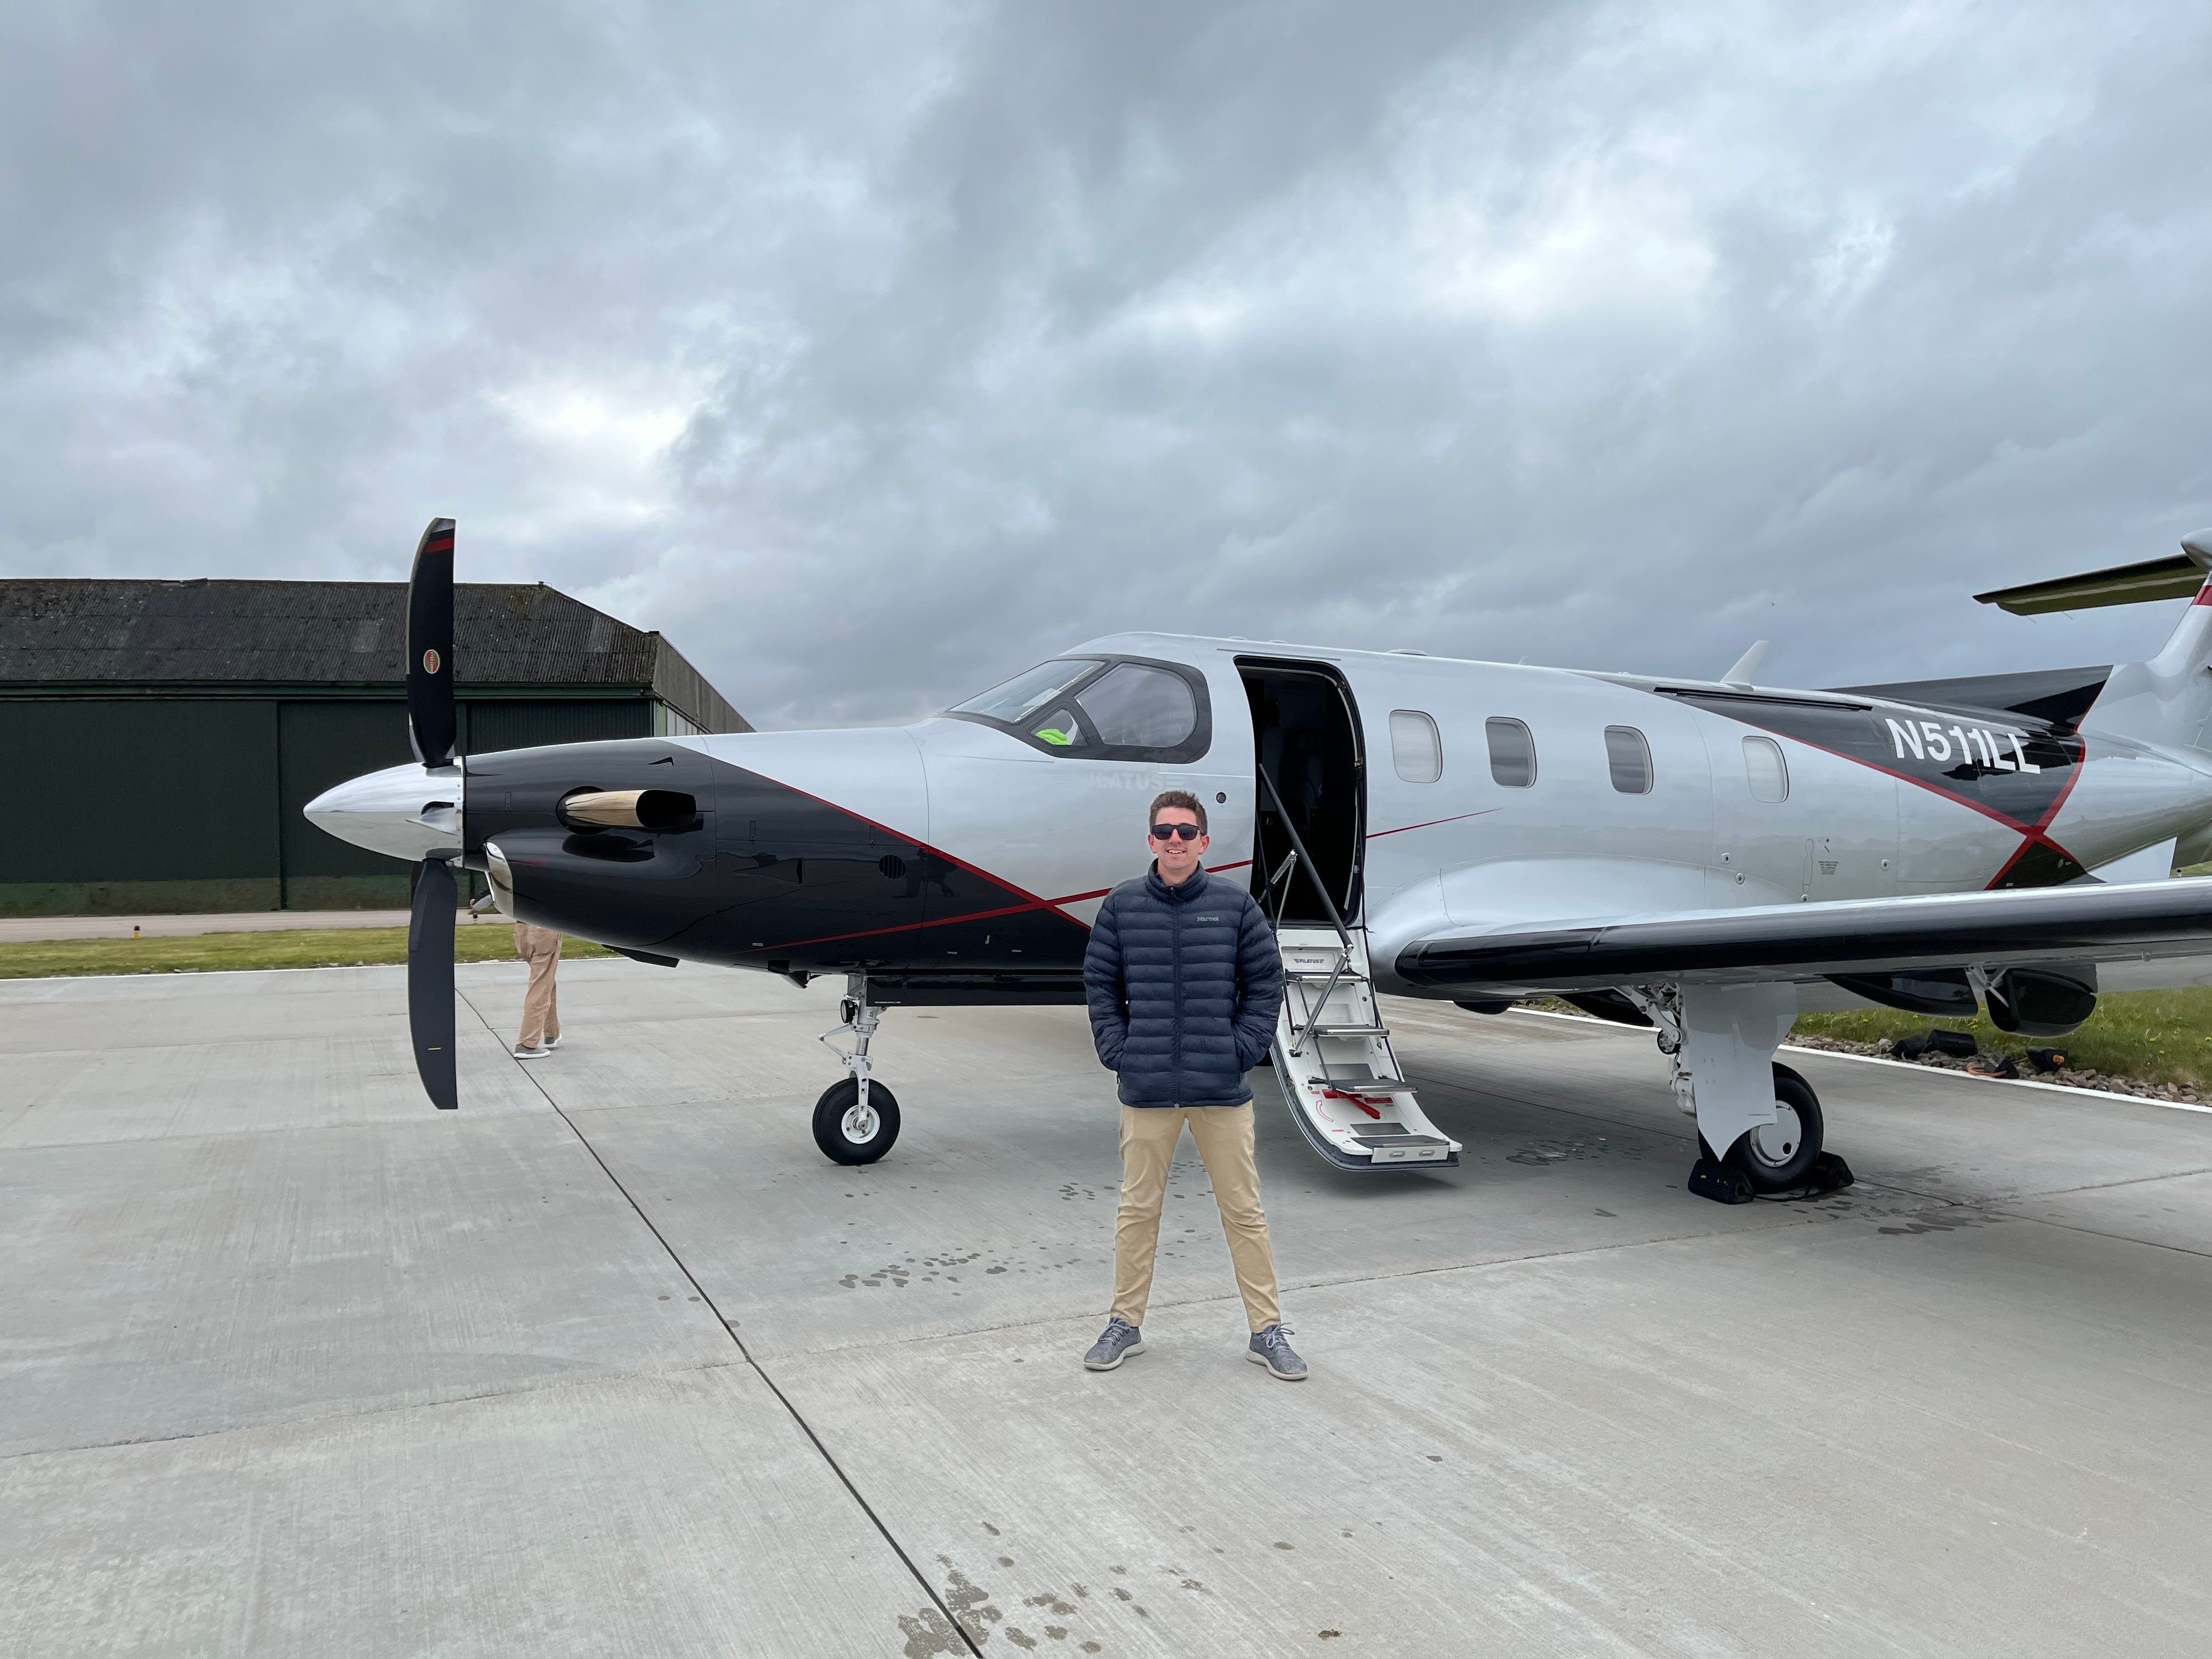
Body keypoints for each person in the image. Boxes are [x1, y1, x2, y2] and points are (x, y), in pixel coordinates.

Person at [1079, 789, 1303, 1380]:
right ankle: (1124, 1324)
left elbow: (1265, 983)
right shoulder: (1121, 907)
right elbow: (1100, 982)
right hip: (1147, 1086)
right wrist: (1118, 1050)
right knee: (1137, 1210)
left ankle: (1267, 1330)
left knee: (1244, 1212)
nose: (1174, 840)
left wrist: (1241, 1050)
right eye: (1163, 831)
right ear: (1150, 840)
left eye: (1185, 831)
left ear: (1204, 842)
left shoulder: (1235, 907)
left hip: (1219, 1088)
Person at [512, 920, 563, 1058]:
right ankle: (527, 1044)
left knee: (546, 981)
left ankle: (552, 1033)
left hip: (521, 929)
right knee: (540, 987)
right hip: (544, 928)